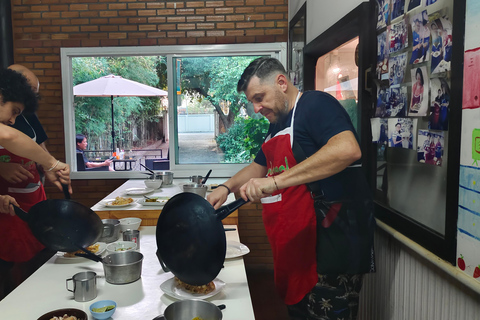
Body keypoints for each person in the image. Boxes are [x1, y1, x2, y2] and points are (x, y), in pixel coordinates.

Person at [207, 57, 375, 319]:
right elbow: (258, 166)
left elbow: (348, 149)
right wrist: (226, 187)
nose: (256, 108)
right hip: (296, 248)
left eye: (259, 97)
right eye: (252, 101)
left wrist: (275, 182)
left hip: (331, 248)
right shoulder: (278, 123)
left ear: (282, 83)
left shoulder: (315, 105)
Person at [0, 67, 70, 300]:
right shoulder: (7, 129)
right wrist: (52, 164)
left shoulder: (22, 120)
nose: (12, 120)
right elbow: (10, 137)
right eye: (14, 111)